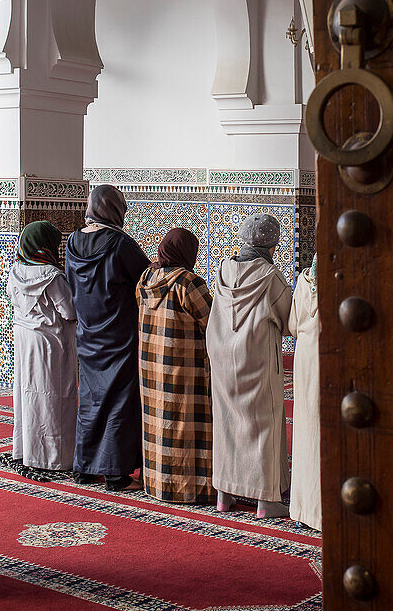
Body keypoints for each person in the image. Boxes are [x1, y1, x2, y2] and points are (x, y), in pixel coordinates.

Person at [207, 213, 294, 518]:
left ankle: (224, 494)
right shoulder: (271, 278)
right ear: (272, 244)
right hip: (256, 360)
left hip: (221, 358)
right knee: (262, 427)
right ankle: (266, 501)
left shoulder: (223, 269)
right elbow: (290, 323)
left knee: (227, 424)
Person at [66, 184, 150, 490]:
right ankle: (115, 472)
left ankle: (84, 467)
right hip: (119, 335)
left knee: (90, 399)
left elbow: (72, 281)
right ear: (115, 209)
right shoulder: (120, 243)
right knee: (119, 401)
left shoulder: (74, 240)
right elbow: (146, 277)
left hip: (88, 332)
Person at [136, 228, 214, 503]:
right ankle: (189, 489)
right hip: (184, 369)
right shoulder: (188, 283)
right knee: (184, 424)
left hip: (151, 367)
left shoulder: (146, 279)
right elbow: (212, 323)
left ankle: (157, 484)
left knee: (158, 424)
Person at [4, 220, 78, 479]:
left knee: (29, 396)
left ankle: (28, 450)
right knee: (53, 398)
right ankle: (54, 458)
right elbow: (69, 312)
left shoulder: (16, 271)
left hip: (25, 342)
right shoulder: (51, 276)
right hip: (50, 345)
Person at [287, 254, 321, 530]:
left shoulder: (304, 280)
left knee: (306, 433)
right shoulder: (344, 284)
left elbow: (292, 326)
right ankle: (321, 513)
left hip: (305, 359)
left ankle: (301, 510)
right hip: (328, 359)